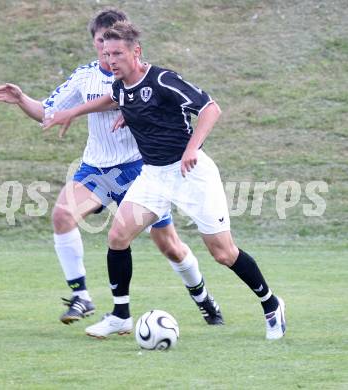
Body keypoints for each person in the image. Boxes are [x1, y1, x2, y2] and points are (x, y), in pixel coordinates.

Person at [43, 21, 286, 340]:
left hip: (191, 174)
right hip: (153, 176)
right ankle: (120, 316)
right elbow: (114, 100)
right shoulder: (119, 86)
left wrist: (191, 149)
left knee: (223, 253)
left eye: (117, 53)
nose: (111, 59)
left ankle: (271, 305)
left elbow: (211, 109)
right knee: (118, 236)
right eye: (106, 53)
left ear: (136, 51)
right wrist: (74, 112)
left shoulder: (161, 79)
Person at [0, 9, 223, 336]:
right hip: (97, 168)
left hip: (140, 169)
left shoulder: (139, 73)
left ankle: (202, 297)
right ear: (94, 42)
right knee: (62, 215)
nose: (106, 49)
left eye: (111, 43)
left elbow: (165, 106)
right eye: (100, 41)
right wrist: (21, 100)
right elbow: (50, 112)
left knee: (168, 244)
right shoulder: (84, 76)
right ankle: (81, 296)